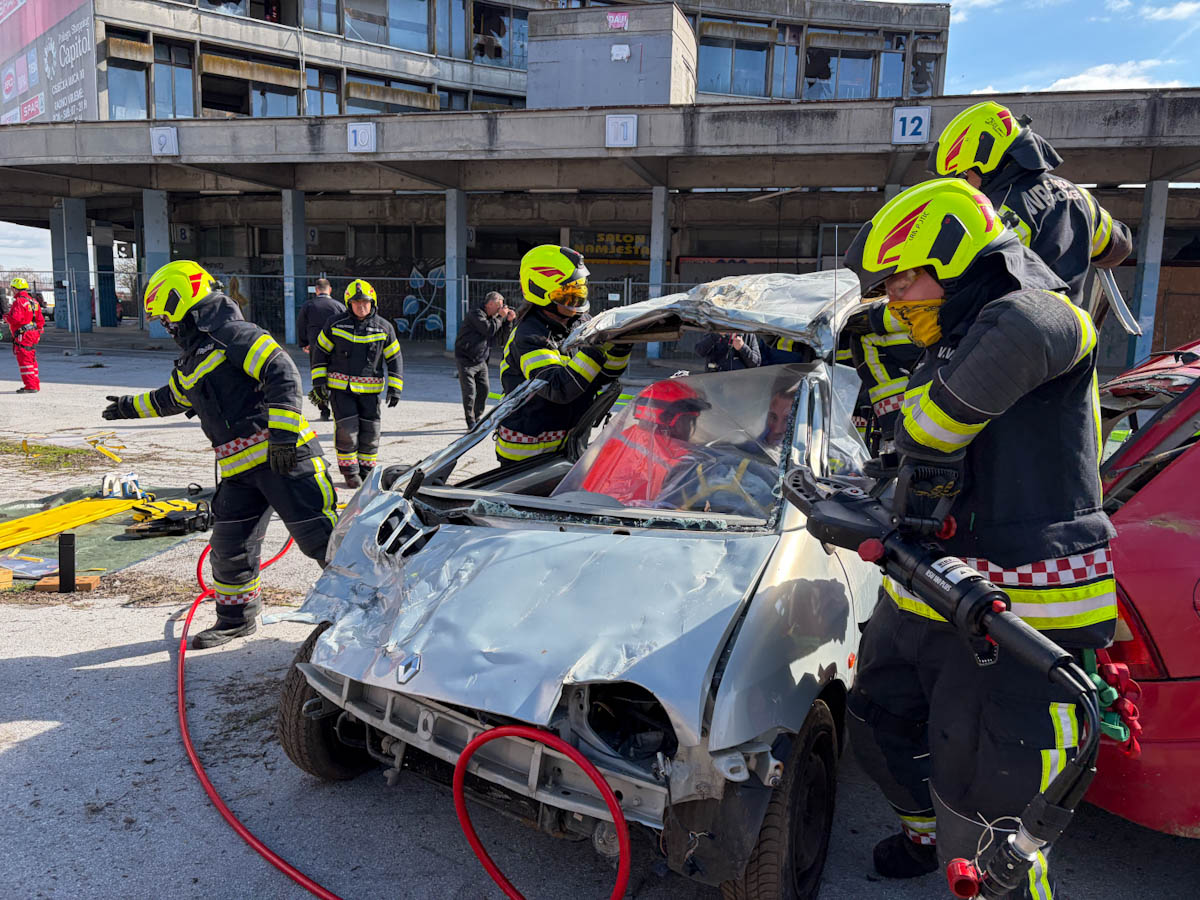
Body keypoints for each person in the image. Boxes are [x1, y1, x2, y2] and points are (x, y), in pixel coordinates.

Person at [841, 178, 1116, 896]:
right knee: (876, 721)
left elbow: (930, 431)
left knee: (994, 807)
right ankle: (923, 837)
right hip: (930, 589)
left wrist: (912, 427)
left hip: (1021, 616)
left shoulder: (1039, 315)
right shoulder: (956, 339)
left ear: (956, 258)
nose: (893, 301)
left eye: (901, 280)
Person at [102, 261, 337, 649]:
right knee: (230, 549)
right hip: (240, 474)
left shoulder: (235, 335)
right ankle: (236, 620)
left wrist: (282, 438)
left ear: (180, 301)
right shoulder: (193, 358)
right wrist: (128, 407)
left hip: (285, 461)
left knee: (324, 541)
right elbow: (173, 398)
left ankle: (371, 611)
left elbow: (282, 373)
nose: (166, 326)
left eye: (165, 317)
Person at [929, 99, 1132, 302]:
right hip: (1071, 318)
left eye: (965, 175)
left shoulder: (993, 213)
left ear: (986, 161)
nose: (965, 184)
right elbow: (1118, 248)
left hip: (1014, 319)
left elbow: (964, 289)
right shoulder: (1080, 196)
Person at [496, 245, 631, 465]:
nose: (576, 302)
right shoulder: (529, 335)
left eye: (579, 292)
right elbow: (557, 388)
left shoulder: (581, 322)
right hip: (528, 454)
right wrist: (596, 347)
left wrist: (620, 346)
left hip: (571, 445)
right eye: (567, 295)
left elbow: (603, 376)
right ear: (541, 293)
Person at [310, 278, 403, 488]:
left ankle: (366, 470)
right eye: (356, 302)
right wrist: (319, 382)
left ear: (373, 303)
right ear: (349, 303)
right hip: (341, 390)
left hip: (370, 392)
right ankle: (350, 472)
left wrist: (395, 388)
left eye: (365, 302)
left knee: (371, 432)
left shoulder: (384, 328)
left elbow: (395, 359)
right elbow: (320, 352)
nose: (361, 306)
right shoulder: (334, 324)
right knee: (347, 432)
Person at [580, 379, 710, 503]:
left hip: (590, 509)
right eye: (689, 421)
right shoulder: (677, 461)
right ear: (677, 422)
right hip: (634, 518)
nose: (689, 428)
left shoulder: (620, 441)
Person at [455, 290, 515, 429]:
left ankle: (477, 417)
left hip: (481, 359)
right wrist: (500, 317)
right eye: (499, 307)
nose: (500, 310)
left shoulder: (494, 318)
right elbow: (488, 329)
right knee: (469, 392)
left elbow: (501, 339)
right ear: (490, 304)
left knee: (484, 389)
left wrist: (508, 322)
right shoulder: (476, 313)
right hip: (465, 358)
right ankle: (470, 421)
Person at [296, 278, 346, 421]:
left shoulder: (308, 306)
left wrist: (304, 343)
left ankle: (324, 410)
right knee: (336, 377)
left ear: (316, 290)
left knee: (318, 378)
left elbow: (301, 325)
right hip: (335, 347)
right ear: (330, 290)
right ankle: (337, 409)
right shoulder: (339, 306)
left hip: (315, 347)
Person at [4, 277, 44, 393]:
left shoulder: (19, 301)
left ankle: (30, 386)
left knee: (25, 360)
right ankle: (35, 384)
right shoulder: (34, 301)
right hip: (33, 333)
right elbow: (40, 320)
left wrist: (6, 318)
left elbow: (15, 318)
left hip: (24, 335)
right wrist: (38, 332)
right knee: (31, 359)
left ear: (15, 289)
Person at [695, 332, 761, 372]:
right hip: (715, 382)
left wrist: (743, 347)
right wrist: (715, 335)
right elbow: (699, 351)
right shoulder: (714, 329)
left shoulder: (748, 334)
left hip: (739, 383)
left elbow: (756, 363)